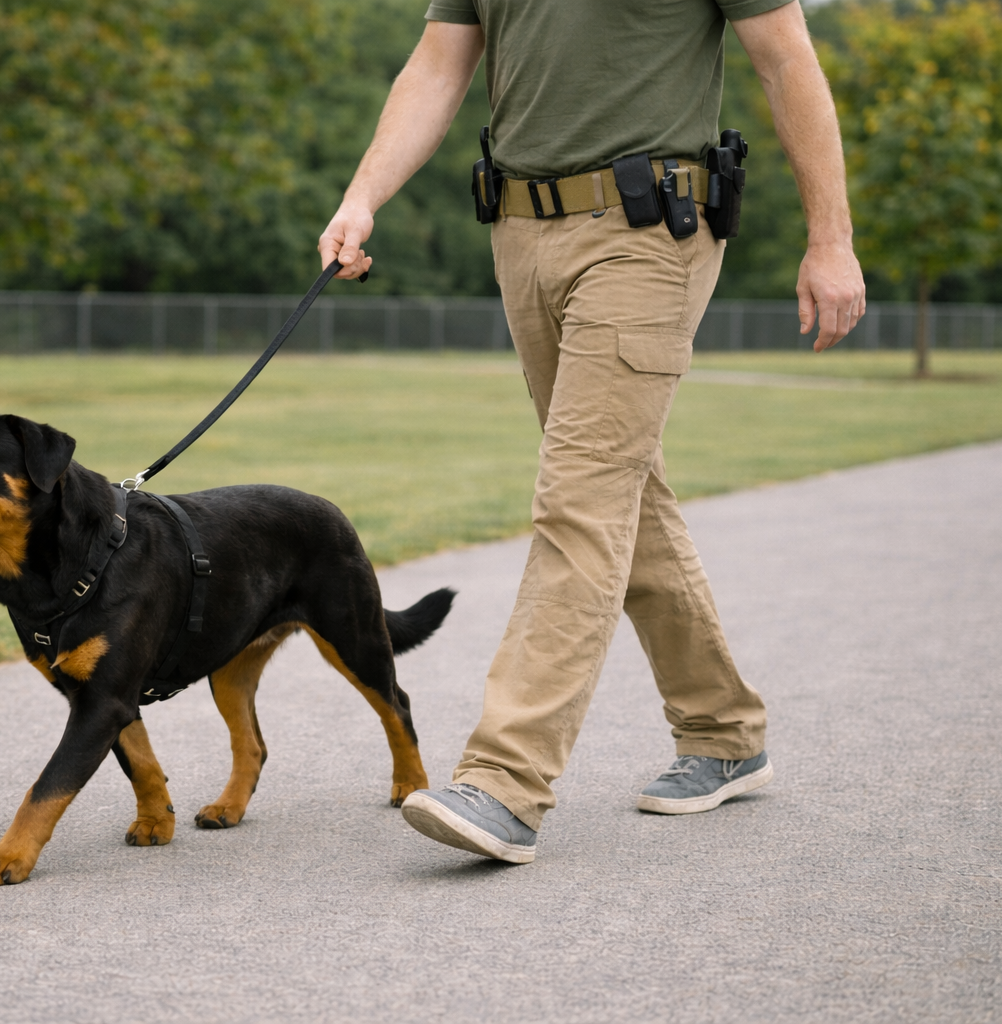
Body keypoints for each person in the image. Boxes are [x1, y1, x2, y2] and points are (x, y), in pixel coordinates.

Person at [319, 0, 865, 863]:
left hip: (649, 232)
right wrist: (363, 194)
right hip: (520, 232)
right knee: (625, 492)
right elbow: (437, 64)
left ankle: (505, 780)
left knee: (580, 499)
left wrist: (830, 239)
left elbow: (787, 59)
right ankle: (724, 731)